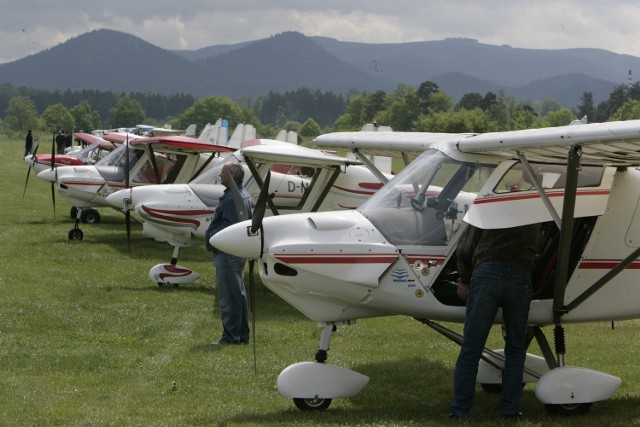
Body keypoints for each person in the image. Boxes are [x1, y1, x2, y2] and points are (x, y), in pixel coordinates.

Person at [450, 222, 541, 419]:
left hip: (487, 273)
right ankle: (510, 410)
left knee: (471, 348)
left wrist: (464, 279)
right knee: (516, 350)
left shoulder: (493, 205)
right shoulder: (534, 213)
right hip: (521, 276)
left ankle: (460, 410)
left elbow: (466, 248)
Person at [205, 162, 252, 345]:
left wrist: (212, 238)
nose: (220, 175)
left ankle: (231, 338)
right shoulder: (241, 194)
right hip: (236, 253)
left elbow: (229, 228)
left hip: (227, 253)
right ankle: (241, 336)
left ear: (232, 176)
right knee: (237, 295)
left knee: (229, 297)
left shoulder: (233, 198)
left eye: (223, 172)